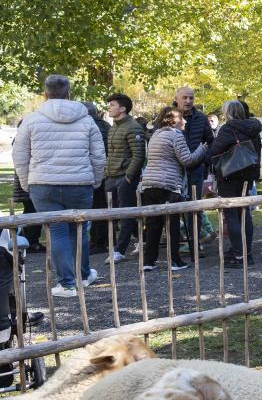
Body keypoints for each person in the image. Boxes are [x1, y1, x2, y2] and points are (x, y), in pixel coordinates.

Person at [12, 74, 105, 297]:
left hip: (43, 184)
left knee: (57, 232)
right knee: (79, 229)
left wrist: (27, 182)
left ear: (45, 94)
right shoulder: (87, 120)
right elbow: (98, 156)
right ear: (69, 94)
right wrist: (95, 180)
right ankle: (82, 275)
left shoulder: (31, 120)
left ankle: (67, 283)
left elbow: (20, 156)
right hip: (79, 182)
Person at [139, 106, 207, 272]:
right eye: (181, 118)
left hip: (149, 184)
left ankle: (149, 261)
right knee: (172, 224)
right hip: (168, 185)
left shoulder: (156, 134)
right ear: (172, 120)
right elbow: (187, 160)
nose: (184, 121)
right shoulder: (176, 135)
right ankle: (174, 261)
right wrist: (202, 149)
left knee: (153, 224)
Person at [209, 100, 262, 268]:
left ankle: (239, 255)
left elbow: (214, 150)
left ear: (228, 113)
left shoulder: (228, 129)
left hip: (230, 176)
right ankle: (246, 252)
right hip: (247, 175)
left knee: (231, 213)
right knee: (244, 213)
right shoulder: (254, 128)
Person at [103, 93, 146, 262]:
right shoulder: (114, 127)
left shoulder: (133, 127)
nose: (109, 107)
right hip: (111, 176)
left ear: (122, 109)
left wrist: (129, 176)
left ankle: (119, 250)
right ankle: (143, 239)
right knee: (116, 214)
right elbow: (111, 153)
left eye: (112, 105)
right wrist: (107, 172)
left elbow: (139, 155)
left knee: (126, 214)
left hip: (124, 177)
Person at [173, 86, 215, 251]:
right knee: (174, 208)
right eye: (184, 97)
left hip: (196, 170)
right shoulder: (168, 115)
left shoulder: (201, 118)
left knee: (194, 207)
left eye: (191, 98)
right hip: (174, 171)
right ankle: (174, 246)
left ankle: (195, 244)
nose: (188, 101)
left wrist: (204, 161)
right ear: (176, 99)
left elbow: (211, 142)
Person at [84, 102, 111, 254]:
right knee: (101, 206)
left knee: (98, 207)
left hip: (97, 171)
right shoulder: (106, 125)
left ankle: (98, 241)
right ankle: (100, 240)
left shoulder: (91, 126)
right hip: (106, 171)